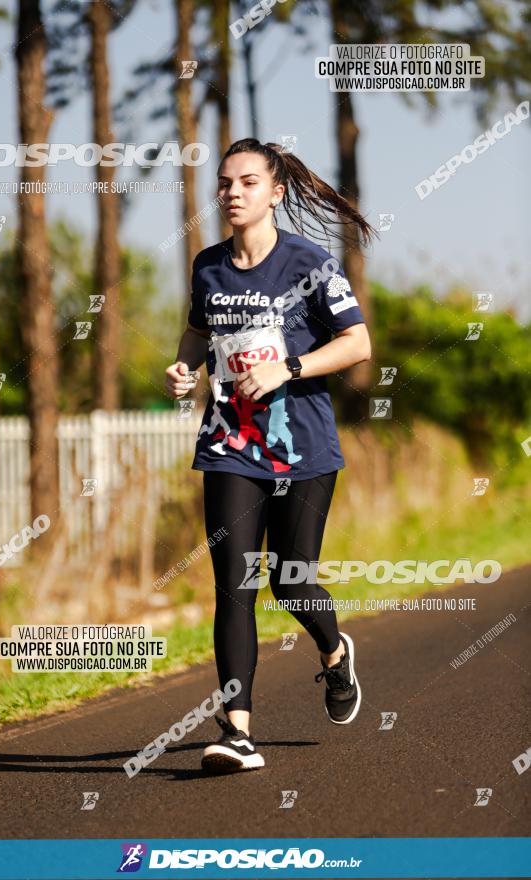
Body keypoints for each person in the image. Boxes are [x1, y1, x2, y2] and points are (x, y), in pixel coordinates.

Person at [165, 138, 375, 774]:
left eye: (248, 183)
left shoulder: (310, 263)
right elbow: (199, 332)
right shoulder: (207, 266)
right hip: (229, 446)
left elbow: (357, 343)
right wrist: (184, 369)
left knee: (290, 577)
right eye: (225, 183)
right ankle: (237, 731)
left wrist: (289, 367)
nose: (232, 192)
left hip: (302, 448)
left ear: (276, 192)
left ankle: (335, 652)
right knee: (234, 586)